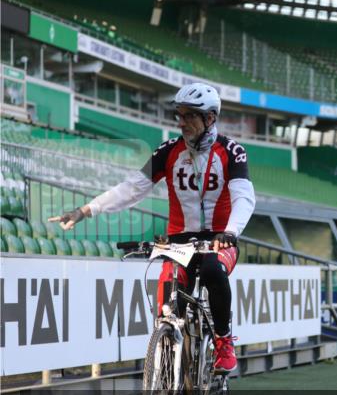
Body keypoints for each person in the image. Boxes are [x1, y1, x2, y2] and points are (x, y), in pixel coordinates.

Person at [49, 82, 256, 374]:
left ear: (210, 118)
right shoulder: (168, 151)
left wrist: (231, 232)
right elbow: (132, 188)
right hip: (179, 241)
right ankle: (170, 362)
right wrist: (86, 210)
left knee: (212, 270)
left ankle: (223, 341)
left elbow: (244, 198)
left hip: (219, 240)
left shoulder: (232, 152)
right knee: (168, 300)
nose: (181, 122)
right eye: (179, 115)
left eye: (189, 116)